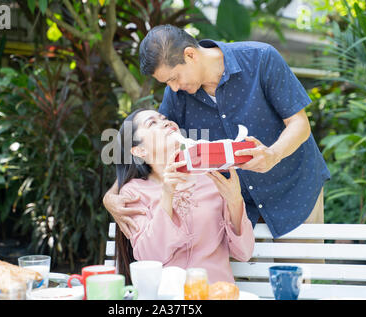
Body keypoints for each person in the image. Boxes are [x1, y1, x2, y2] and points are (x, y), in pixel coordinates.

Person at [103, 24, 330, 240]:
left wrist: (273, 154)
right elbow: (150, 149)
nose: (172, 88)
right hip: (238, 209)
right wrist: (112, 194)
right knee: (240, 282)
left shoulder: (261, 58)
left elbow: (299, 123)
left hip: (294, 190)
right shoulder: (178, 94)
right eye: (166, 83)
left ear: (190, 55)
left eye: (174, 78)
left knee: (298, 277)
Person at [113, 108, 254, 284]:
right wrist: (167, 193)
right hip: (167, 297)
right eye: (152, 123)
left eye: (164, 118)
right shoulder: (133, 192)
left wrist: (235, 201)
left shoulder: (210, 178)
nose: (166, 122)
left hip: (216, 292)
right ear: (139, 151)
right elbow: (149, 257)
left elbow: (244, 252)